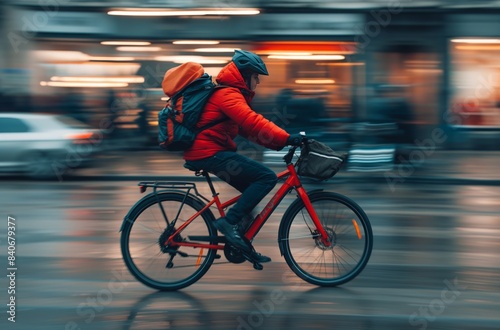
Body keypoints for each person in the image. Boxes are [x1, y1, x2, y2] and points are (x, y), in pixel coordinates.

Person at [184, 50, 301, 264]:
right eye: (256, 76)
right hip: (208, 152)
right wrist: (287, 138)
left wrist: (279, 143)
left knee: (250, 195)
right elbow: (252, 121)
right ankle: (228, 223)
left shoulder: (230, 94)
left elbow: (251, 132)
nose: (257, 81)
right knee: (266, 178)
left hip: (212, 151)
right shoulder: (227, 95)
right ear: (245, 75)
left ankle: (241, 243)